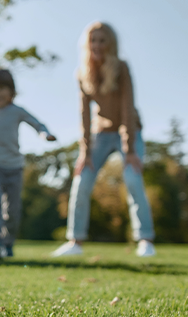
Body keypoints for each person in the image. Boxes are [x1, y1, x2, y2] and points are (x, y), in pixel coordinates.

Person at [51, 22, 156, 258]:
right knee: (82, 179)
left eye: (102, 40)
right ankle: (75, 241)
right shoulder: (82, 73)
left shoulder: (121, 68)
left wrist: (130, 150)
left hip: (129, 130)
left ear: (110, 44)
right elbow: (84, 116)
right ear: (87, 44)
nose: (97, 45)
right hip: (101, 133)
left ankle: (145, 240)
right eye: (93, 40)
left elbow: (127, 108)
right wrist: (85, 152)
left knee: (132, 178)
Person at [0, 68, 58, 259]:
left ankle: (8, 243)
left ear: (11, 90)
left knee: (12, 209)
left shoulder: (16, 111)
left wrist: (44, 134)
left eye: (3, 88)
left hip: (14, 166)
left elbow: (37, 123)